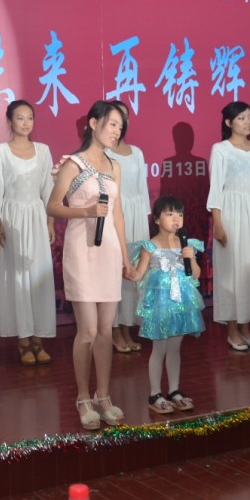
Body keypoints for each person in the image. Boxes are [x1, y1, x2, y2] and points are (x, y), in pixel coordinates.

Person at [47, 100, 132, 430]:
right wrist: (85, 211)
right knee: (88, 330)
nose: (116, 131)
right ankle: (83, 397)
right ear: (93, 124)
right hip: (81, 250)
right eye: (112, 124)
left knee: (106, 330)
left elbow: (117, 215)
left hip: (108, 251)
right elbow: (53, 206)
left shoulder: (114, 166)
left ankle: (104, 395)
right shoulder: (73, 164)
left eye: (120, 127)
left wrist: (125, 256)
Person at [0, 100, 56, 366]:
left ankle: (39, 338)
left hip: (36, 217)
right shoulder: (0, 151)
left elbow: (48, 189)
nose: (25, 123)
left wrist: (50, 222)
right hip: (11, 217)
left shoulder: (43, 150)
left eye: (29, 118)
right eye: (20, 118)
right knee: (17, 278)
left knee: (38, 277)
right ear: (9, 122)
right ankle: (23, 340)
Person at [206, 101, 250, 351]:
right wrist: (218, 224)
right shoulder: (221, 149)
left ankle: (247, 328)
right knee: (232, 271)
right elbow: (216, 189)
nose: (247, 122)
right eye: (241, 118)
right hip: (231, 213)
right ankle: (232, 330)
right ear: (229, 122)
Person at [131, 196, 205, 415]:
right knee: (159, 348)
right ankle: (155, 394)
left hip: (180, 304)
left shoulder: (186, 244)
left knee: (175, 347)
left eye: (180, 214)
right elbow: (139, 274)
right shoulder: (150, 246)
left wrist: (191, 258)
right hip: (160, 306)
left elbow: (196, 275)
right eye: (170, 214)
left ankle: (174, 391)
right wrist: (128, 271)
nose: (176, 219)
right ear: (156, 219)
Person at [105, 100, 151, 353]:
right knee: (115, 272)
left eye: (124, 118)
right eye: (115, 118)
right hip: (114, 217)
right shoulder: (102, 152)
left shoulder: (136, 152)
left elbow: (142, 190)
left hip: (137, 218)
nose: (120, 123)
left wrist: (145, 220)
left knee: (134, 274)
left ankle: (127, 327)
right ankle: (113, 329)